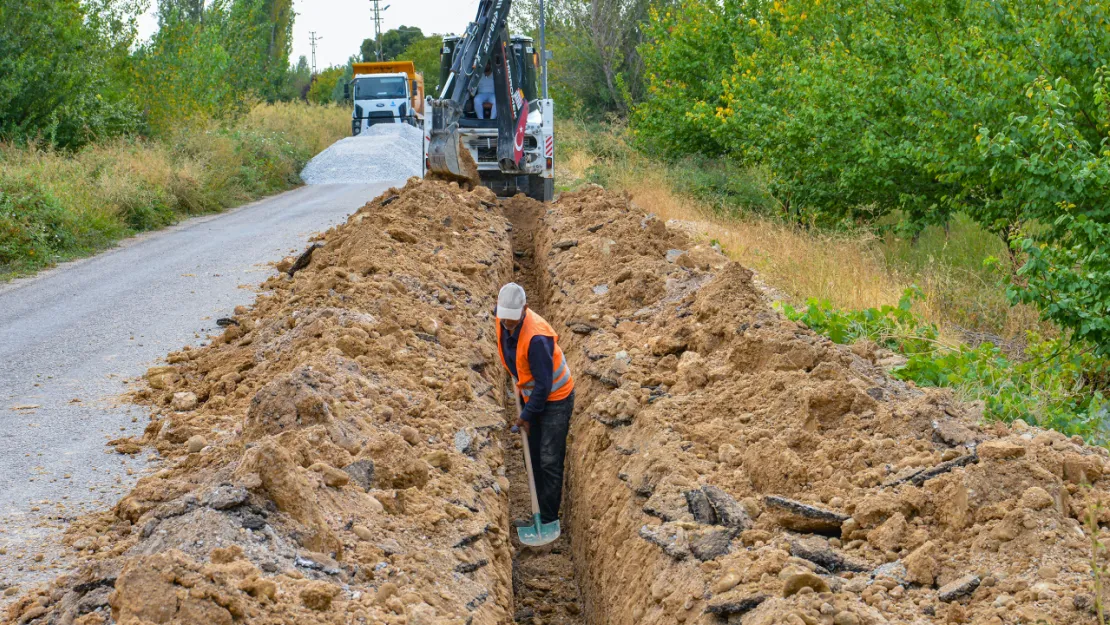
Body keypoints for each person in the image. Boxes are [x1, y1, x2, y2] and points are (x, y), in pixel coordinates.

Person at [495, 282, 575, 525]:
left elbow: (543, 385)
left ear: (525, 309)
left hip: (556, 399)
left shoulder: (537, 338)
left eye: (512, 321)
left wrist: (526, 416)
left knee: (549, 460)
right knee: (532, 454)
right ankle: (537, 511)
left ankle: (549, 519)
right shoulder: (502, 319)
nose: (507, 325)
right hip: (530, 395)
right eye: (504, 320)